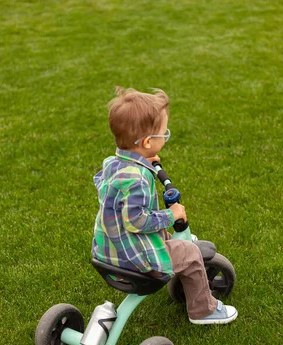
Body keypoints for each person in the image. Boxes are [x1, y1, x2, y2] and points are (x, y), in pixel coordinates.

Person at [91, 86, 238, 325]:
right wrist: (170, 214)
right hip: (135, 262)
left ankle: (179, 264)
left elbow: (107, 185)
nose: (165, 137)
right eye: (163, 134)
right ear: (148, 141)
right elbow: (136, 221)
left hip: (106, 252)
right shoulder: (137, 179)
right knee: (189, 253)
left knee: (167, 238)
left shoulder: (112, 164)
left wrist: (144, 162)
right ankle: (204, 311)